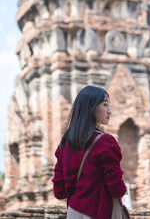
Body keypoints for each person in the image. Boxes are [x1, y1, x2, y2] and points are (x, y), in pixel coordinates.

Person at [52, 85, 127, 219]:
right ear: (91, 108)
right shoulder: (106, 142)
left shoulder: (64, 145)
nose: (109, 111)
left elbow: (59, 191)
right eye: (105, 105)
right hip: (102, 211)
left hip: (74, 212)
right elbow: (116, 189)